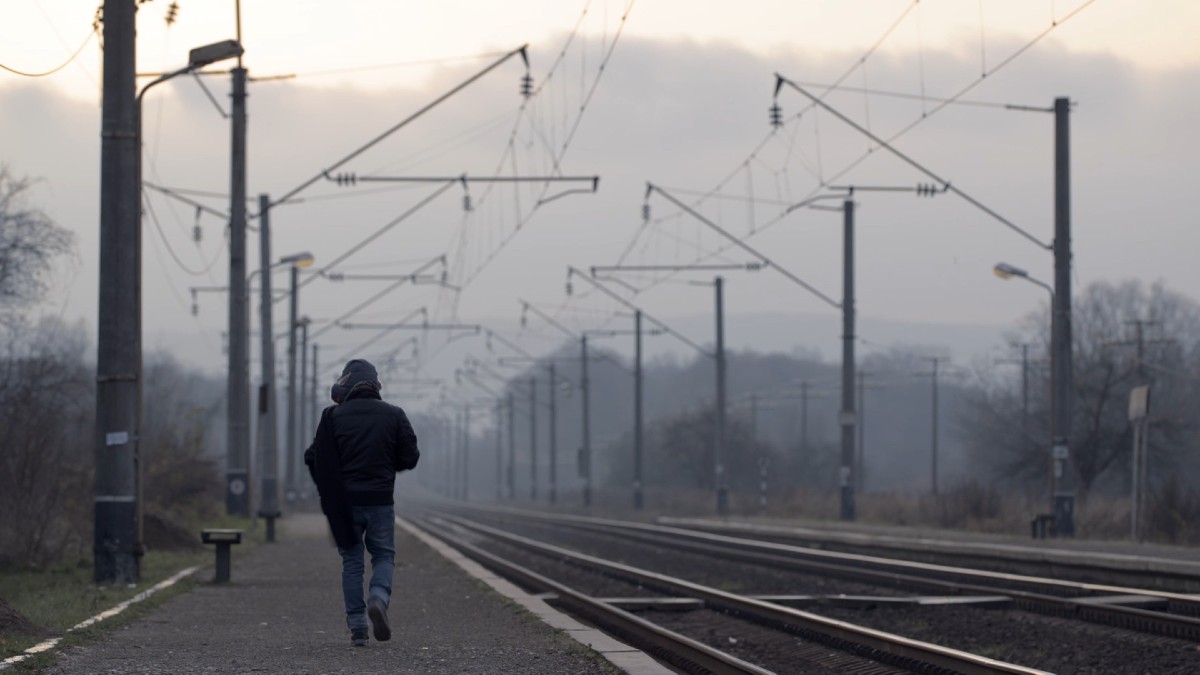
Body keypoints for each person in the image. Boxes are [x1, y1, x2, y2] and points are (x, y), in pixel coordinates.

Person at [305, 359, 420, 647]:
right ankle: (378, 599)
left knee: (352, 561)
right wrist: (385, 461)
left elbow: (313, 456)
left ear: (347, 384)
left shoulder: (332, 417)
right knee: (383, 556)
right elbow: (410, 458)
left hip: (345, 503)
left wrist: (329, 485)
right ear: (375, 384)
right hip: (380, 500)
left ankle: (357, 626)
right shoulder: (394, 415)